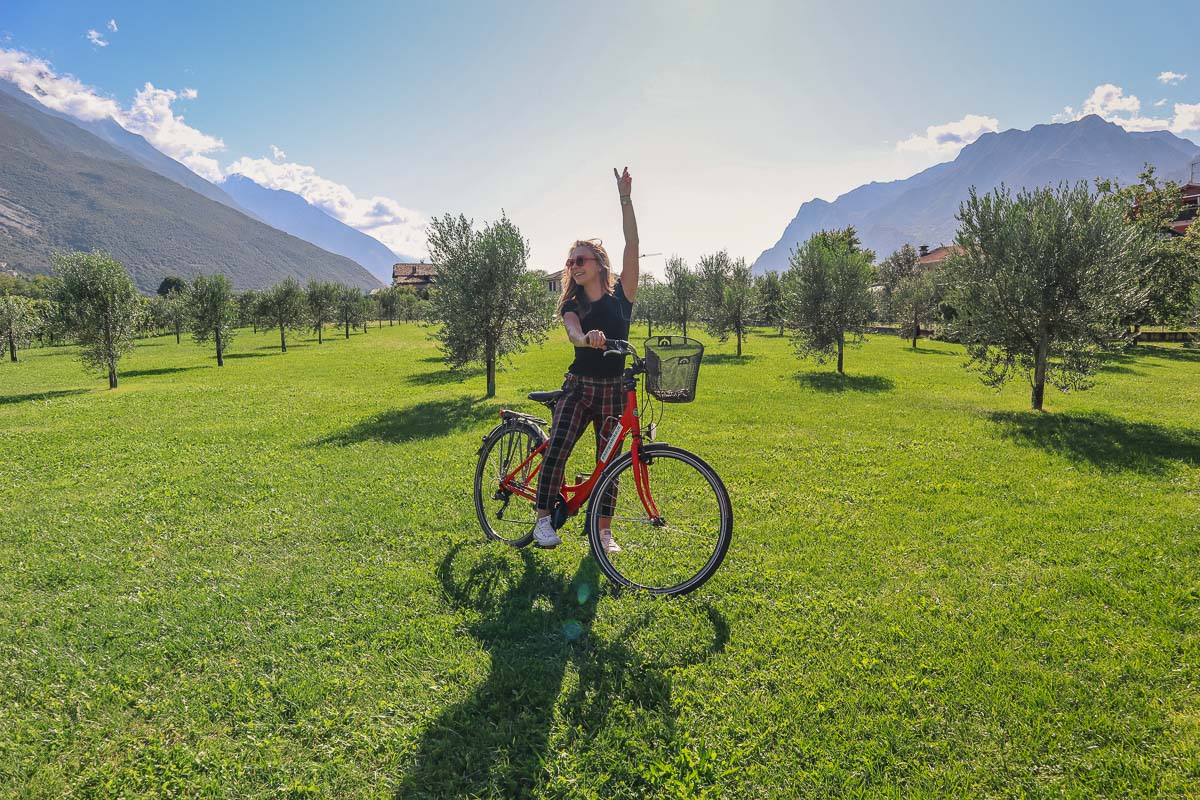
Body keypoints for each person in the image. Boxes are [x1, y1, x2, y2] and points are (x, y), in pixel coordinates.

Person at [531, 167, 640, 552]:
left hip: (613, 388)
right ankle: (543, 519)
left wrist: (625, 198)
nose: (574, 265)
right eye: (571, 261)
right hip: (579, 388)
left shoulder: (622, 296)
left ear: (599, 263)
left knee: (608, 464)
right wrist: (586, 339)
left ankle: (603, 532)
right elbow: (573, 333)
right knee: (559, 445)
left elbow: (632, 244)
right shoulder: (572, 305)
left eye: (581, 259)